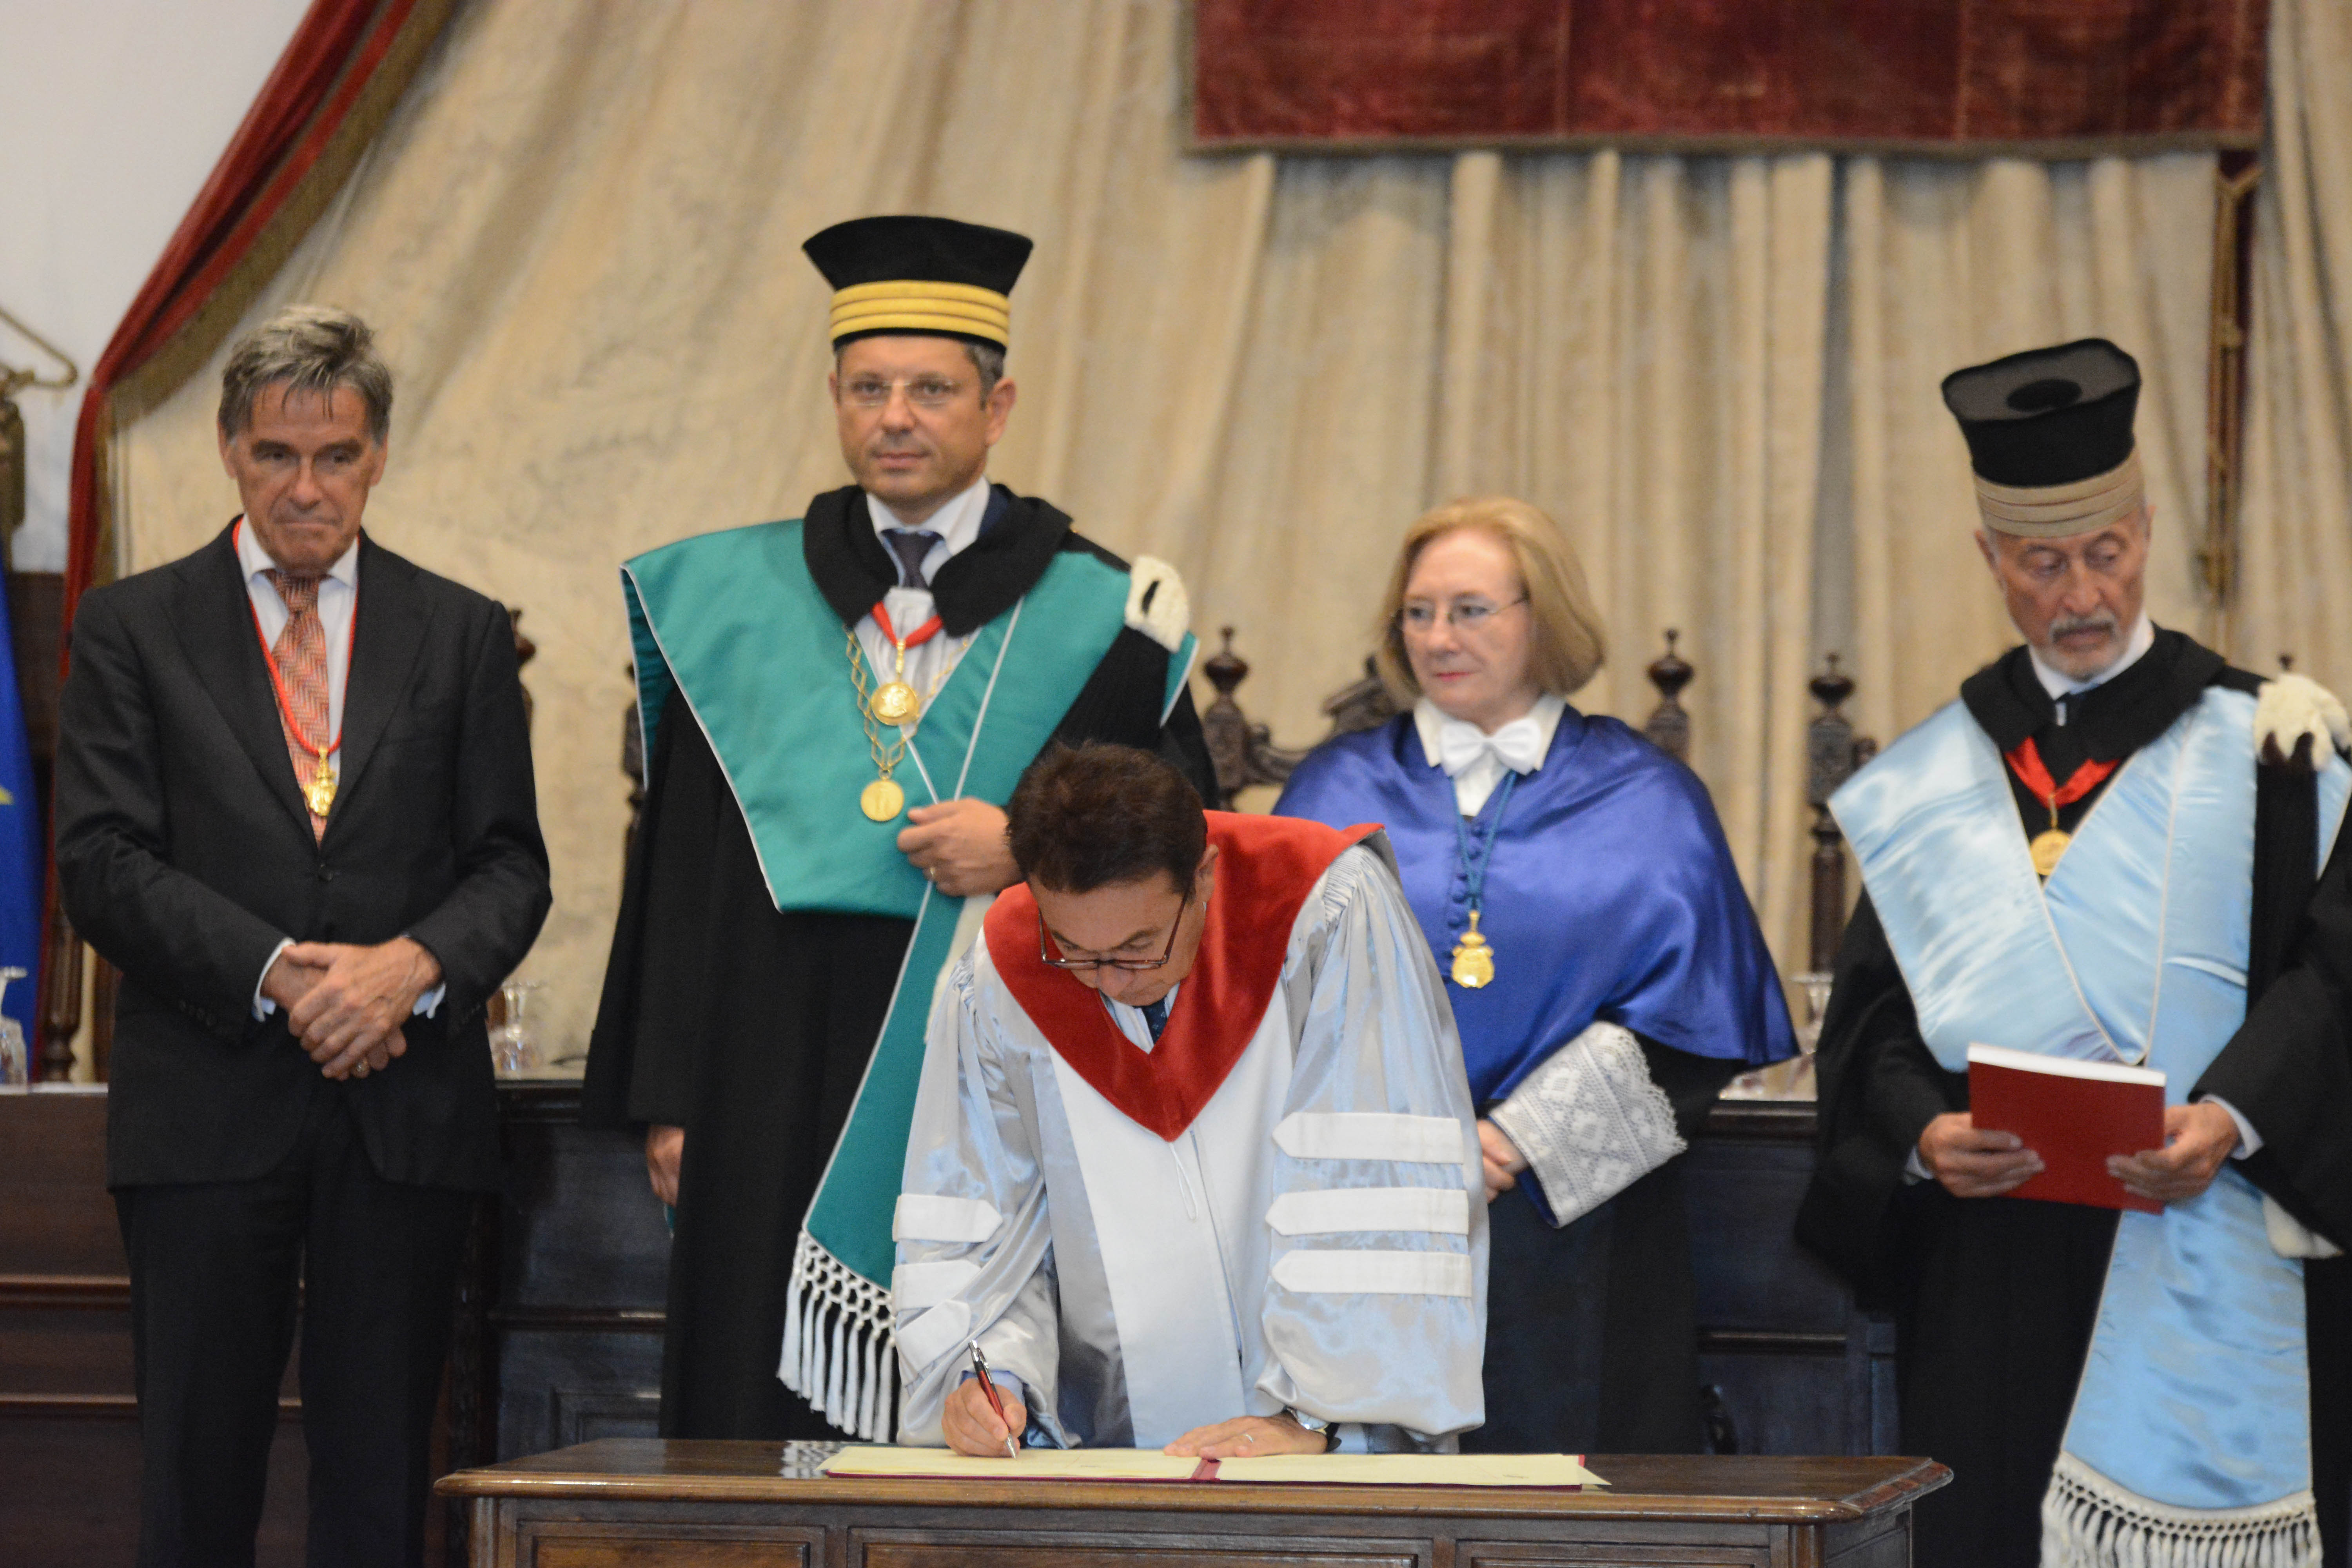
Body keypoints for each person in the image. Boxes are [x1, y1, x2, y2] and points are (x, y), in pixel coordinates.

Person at [583, 216, 1215, 1442]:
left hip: (998, 1045)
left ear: (998, 404)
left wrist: (1027, 852)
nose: (897, 417)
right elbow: (680, 865)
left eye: (932, 389)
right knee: (746, 1405)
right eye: (869, 389)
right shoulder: (733, 597)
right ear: (833, 398)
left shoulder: (1103, 612)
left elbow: (1180, 856)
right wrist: (672, 1096)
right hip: (761, 1055)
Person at [1797, 338, 2352, 1568]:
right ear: (1990, 560)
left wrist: (2237, 1117)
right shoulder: (1948, 775)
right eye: (2044, 563)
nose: (2082, 594)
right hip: (1997, 1261)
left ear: (2148, 531)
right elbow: (1877, 1028)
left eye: (2106, 553)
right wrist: (1923, 1138)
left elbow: (2336, 978)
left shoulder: (2267, 748)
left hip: (2208, 1222)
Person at [54, 306, 550, 1568]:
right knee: (195, 1471)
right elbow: (103, 865)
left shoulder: (462, 633)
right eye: (277, 454)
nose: (307, 488)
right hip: (206, 1115)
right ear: (229, 449)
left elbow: (511, 866)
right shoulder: (131, 629)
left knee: (386, 1477)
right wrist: (281, 976)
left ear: (379, 454)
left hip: (405, 1121)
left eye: (336, 456)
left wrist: (408, 970)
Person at [1273, 495, 1795, 1453]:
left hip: (1575, 1227)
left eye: (1471, 609)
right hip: (1371, 1214)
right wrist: (1420, 1146)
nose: (1439, 636)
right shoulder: (1331, 790)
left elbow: (1695, 1023)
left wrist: (1514, 1140)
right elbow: (1270, 1001)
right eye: (1418, 612)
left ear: (1541, 613)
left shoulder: (1646, 794)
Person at [896, 742, 1486, 1455]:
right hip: (1113, 1456)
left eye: (1138, 945)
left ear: (1203, 875)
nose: (1108, 981)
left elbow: (1376, 1184)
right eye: (1075, 950)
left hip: (1321, 1461)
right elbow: (980, 1217)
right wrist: (987, 1380)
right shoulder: (1001, 972)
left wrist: (1316, 1421)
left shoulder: (1327, 909)